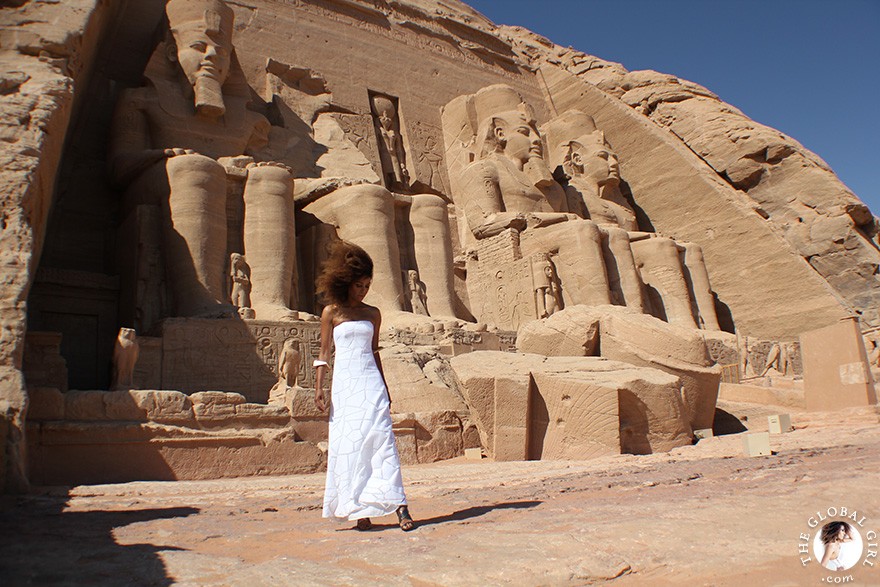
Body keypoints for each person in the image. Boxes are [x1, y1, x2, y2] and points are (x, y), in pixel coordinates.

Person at [313, 241, 415, 531]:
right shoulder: (331, 313)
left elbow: (374, 351)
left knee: (383, 441)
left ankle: (401, 508)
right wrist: (319, 388)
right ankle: (360, 512)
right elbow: (323, 354)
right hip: (345, 387)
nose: (364, 290)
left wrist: (385, 386)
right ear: (346, 281)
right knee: (351, 445)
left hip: (370, 383)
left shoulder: (373, 313)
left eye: (368, 285)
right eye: (359, 285)